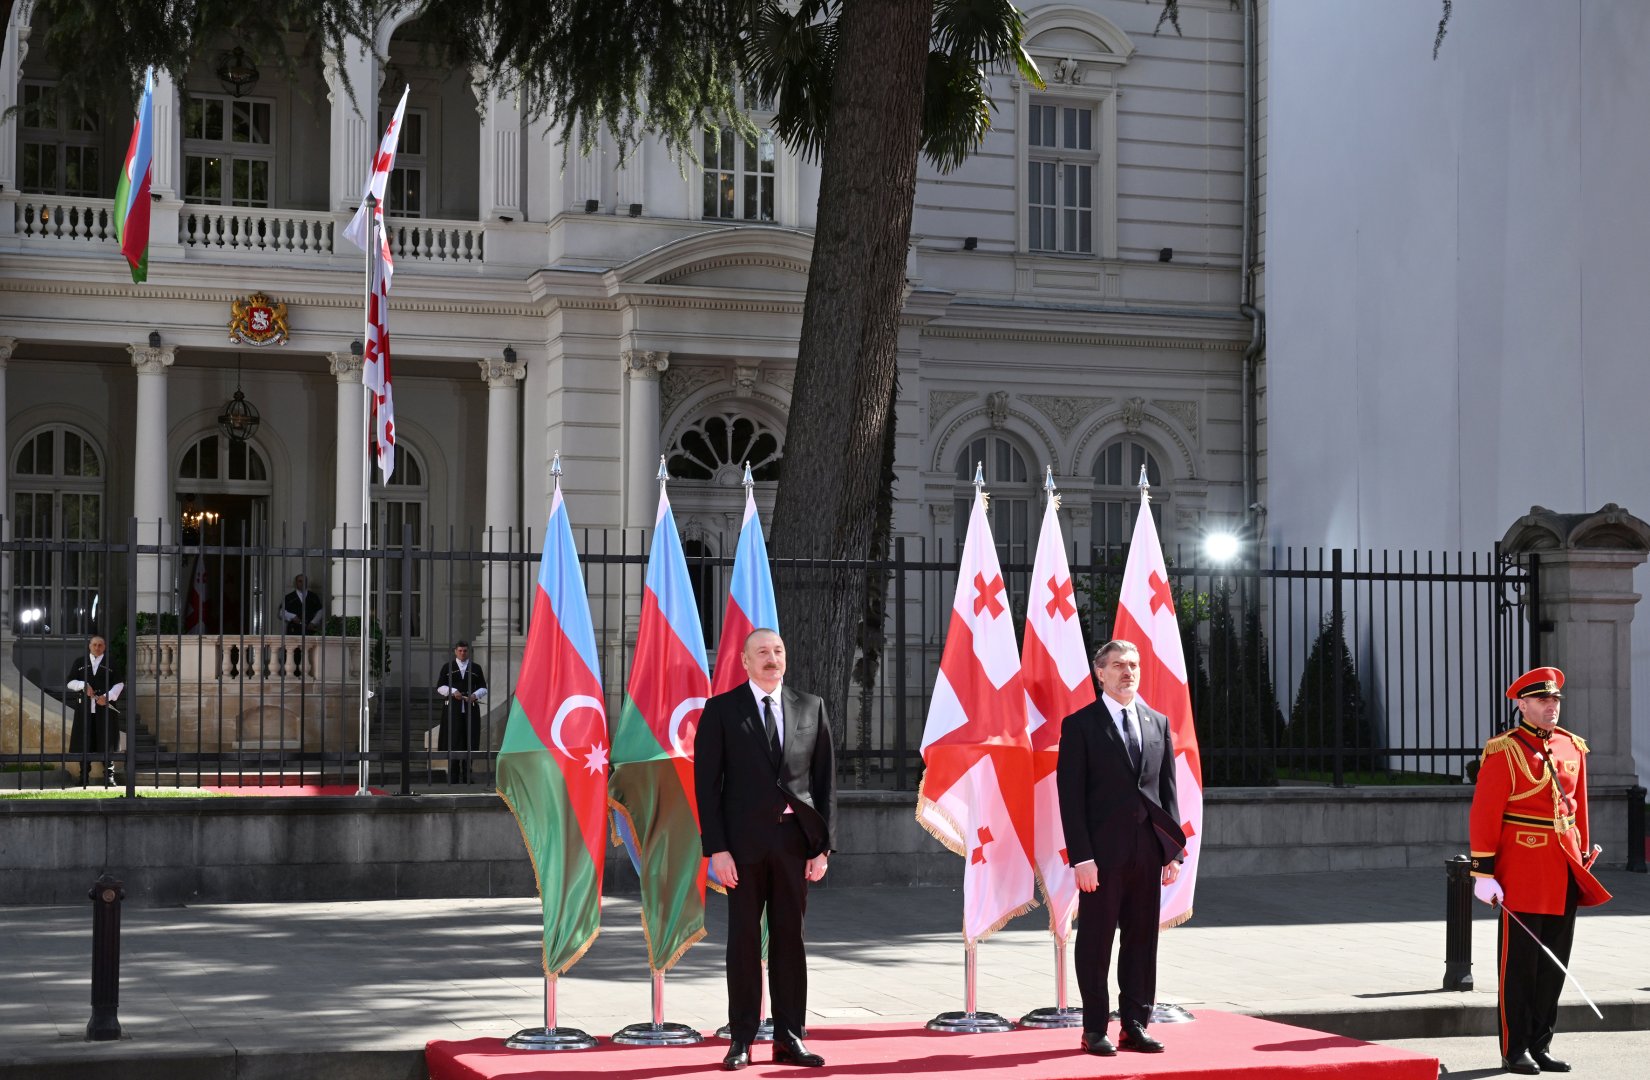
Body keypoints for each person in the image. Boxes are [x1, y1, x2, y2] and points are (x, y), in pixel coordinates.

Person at [694, 628, 835, 1071]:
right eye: (763, 652)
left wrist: (823, 848)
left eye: (778, 651)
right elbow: (707, 787)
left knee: (790, 941)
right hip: (742, 848)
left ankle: (790, 1036)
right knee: (743, 944)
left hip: (795, 846)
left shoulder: (812, 706)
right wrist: (717, 849)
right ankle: (741, 1039)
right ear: (744, 661)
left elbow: (825, 784)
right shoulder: (721, 711)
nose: (772, 658)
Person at [1469, 666, 1611, 1076]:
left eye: (1555, 701)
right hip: (1522, 868)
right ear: (1522, 705)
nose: (1552, 708)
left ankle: (1541, 1043)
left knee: (1553, 963)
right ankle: (1514, 1050)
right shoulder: (1504, 750)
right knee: (1520, 966)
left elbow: (1577, 807)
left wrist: (1582, 855)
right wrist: (1483, 871)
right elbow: (1485, 813)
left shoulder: (1572, 746)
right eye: (1543, 701)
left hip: (1563, 868)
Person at [1056, 639, 1185, 1057]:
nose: (1127, 672)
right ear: (1100, 672)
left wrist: (1173, 850)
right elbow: (1070, 798)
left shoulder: (1158, 722)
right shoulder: (1081, 725)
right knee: (1095, 941)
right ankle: (1095, 1028)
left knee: (1142, 940)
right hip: (1101, 857)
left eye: (1133, 665)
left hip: (1147, 852)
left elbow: (1168, 792)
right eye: (1117, 665)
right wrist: (1082, 857)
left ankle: (1134, 1024)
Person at [66, 635, 125, 787]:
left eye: (100, 645)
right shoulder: (80, 662)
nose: (97, 647)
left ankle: (109, 777)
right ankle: (83, 776)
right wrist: (82, 685)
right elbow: (70, 682)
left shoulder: (111, 662)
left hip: (104, 710)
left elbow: (119, 684)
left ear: (104, 647)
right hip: (85, 710)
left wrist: (107, 697)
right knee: (85, 741)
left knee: (107, 740)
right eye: (94, 645)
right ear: (89, 646)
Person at [435, 641, 488, 783]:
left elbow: (483, 687)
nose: (462, 653)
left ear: (468, 651)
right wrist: (453, 692)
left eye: (465, 651)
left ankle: (467, 774)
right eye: (460, 650)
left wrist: (475, 695)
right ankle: (453, 774)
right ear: (455, 651)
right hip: (453, 708)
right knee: (454, 738)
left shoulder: (476, 668)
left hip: (470, 708)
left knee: (469, 739)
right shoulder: (448, 667)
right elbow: (440, 687)